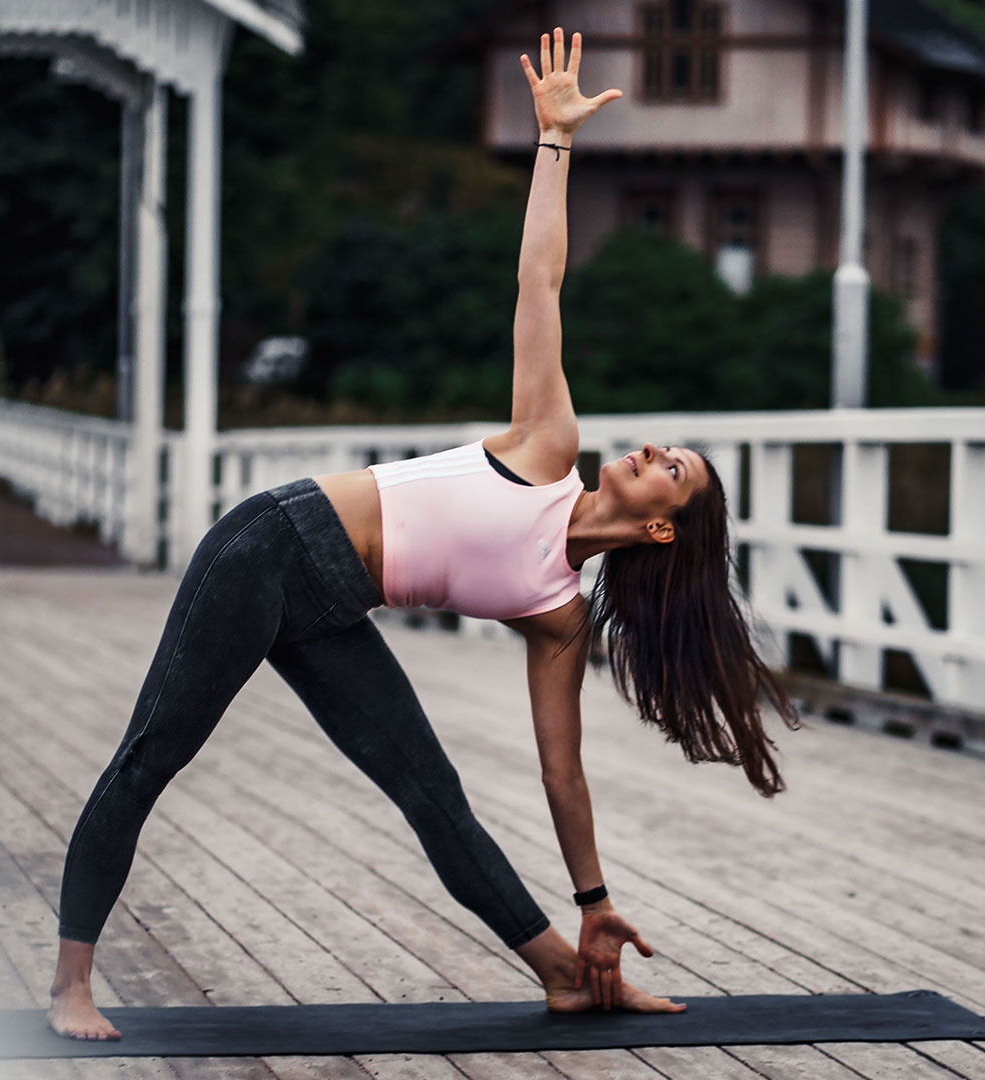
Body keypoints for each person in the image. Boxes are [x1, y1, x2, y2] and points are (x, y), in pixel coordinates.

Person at [48, 27, 798, 1041]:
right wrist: (555, 145)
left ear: (664, 527)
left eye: (674, 470)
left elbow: (561, 771)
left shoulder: (560, 617)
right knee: (154, 755)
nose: (654, 451)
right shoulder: (549, 444)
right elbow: (540, 284)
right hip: (268, 544)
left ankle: (567, 970)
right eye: (665, 447)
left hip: (331, 605)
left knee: (430, 793)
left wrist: (594, 900)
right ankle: (72, 986)